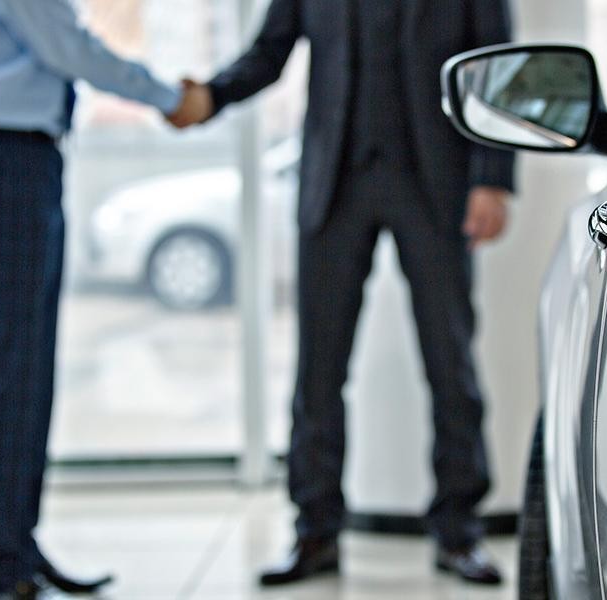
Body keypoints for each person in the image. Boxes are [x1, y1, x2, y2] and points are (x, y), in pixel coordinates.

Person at [173, 0, 515, 587]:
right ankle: (316, 531)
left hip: (434, 181)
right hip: (335, 185)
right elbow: (269, 52)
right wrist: (211, 95)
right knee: (319, 371)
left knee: (449, 362)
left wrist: (493, 178)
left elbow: (498, 68)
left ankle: (459, 530)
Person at [0, 1, 206, 598]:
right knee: (7, 366)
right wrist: (167, 97)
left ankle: (11, 546)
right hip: (0, 158)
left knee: (16, 364)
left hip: (9, 156)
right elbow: (65, 46)